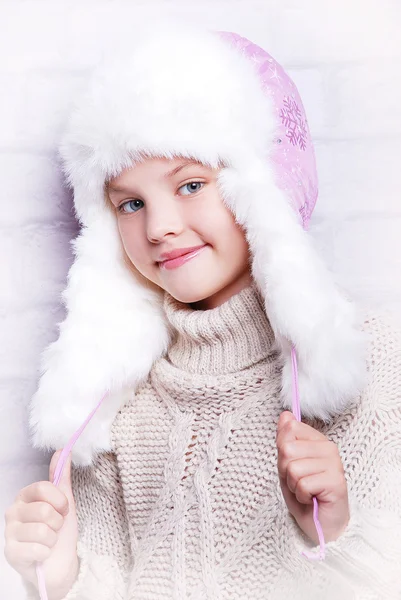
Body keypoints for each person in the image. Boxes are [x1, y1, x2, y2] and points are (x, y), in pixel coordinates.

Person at [4, 24, 401, 600]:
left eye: (191, 185)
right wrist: (63, 576)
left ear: (263, 187)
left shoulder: (373, 361)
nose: (159, 226)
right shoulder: (113, 399)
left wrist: (331, 529)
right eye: (131, 203)